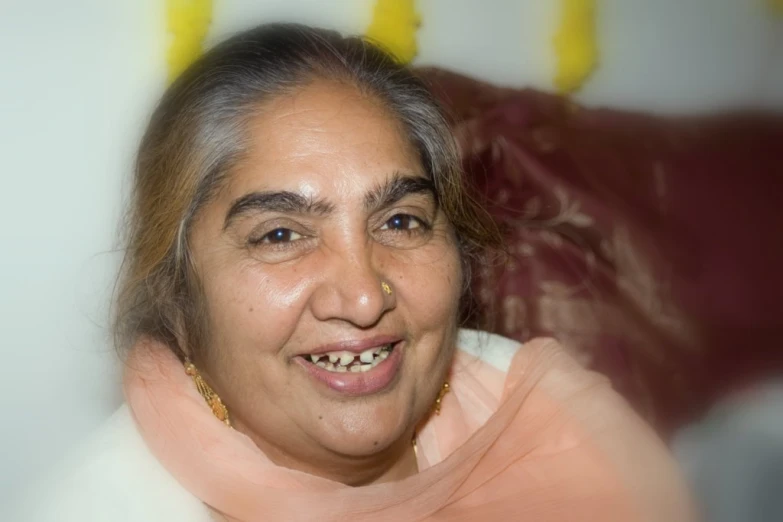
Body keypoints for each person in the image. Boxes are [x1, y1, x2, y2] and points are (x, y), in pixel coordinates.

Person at [19, 23, 693, 522]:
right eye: (280, 234)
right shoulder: (101, 506)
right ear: (176, 296)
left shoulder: (541, 416)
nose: (365, 295)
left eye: (399, 221)